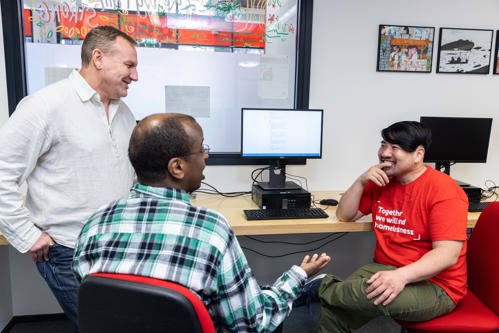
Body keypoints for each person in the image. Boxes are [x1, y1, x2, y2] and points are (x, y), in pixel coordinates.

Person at [72, 113, 331, 332]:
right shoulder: (211, 229)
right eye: (202, 149)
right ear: (177, 167)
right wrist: (297, 277)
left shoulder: (95, 224)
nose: (206, 156)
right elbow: (253, 324)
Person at [0, 25, 139, 329]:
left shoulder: (124, 112)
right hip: (67, 251)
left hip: (115, 248)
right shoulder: (45, 106)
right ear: (98, 58)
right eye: (129, 65)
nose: (135, 75)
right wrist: (26, 234)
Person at [317, 121, 468, 332]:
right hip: (384, 267)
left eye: (395, 148)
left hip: (437, 285)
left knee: (360, 294)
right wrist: (361, 181)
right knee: (334, 310)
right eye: (383, 145)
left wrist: (401, 276)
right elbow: (345, 215)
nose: (385, 153)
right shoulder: (383, 180)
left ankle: (316, 289)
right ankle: (322, 290)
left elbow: (447, 254)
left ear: (418, 154)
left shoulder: (444, 191)